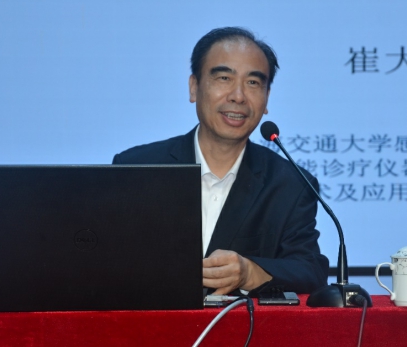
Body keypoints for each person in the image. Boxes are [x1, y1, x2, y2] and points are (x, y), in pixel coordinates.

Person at [113, 27, 329, 295]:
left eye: (253, 83)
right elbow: (107, 262)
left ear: (266, 99)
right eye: (224, 78)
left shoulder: (291, 184)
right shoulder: (136, 168)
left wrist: (251, 272)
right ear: (194, 87)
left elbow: (310, 271)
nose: (238, 96)